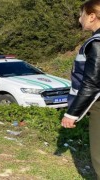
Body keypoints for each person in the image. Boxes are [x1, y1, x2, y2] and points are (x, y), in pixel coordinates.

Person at [61, 0, 100, 178]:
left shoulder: (97, 43)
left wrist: (72, 113)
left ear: (92, 16)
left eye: (82, 14)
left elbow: (92, 84)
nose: (79, 19)